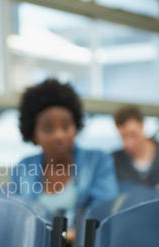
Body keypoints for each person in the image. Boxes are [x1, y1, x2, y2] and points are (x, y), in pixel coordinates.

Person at [11, 79, 118, 219]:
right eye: (48, 129)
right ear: (33, 135)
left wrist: (71, 234)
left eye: (66, 126)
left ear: (76, 126)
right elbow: (18, 218)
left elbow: (104, 214)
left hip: (83, 241)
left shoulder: (98, 161)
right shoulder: (23, 168)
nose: (59, 136)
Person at [113, 106, 159, 191]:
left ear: (142, 124)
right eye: (124, 136)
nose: (129, 143)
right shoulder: (114, 161)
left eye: (133, 134)